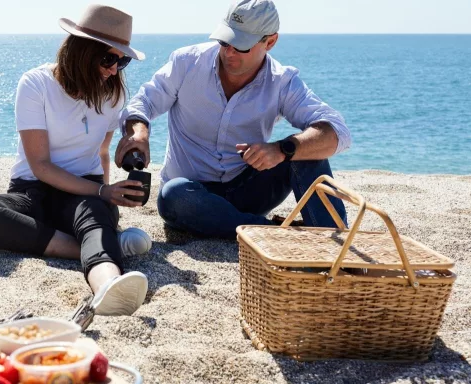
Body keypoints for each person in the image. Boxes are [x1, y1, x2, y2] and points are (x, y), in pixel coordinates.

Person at [0, 5, 152, 317]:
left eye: (122, 60)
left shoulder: (112, 95)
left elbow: (102, 153)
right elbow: (40, 165)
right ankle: (100, 246)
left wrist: (106, 198)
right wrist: (103, 194)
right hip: (31, 190)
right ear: (82, 51)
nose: (114, 69)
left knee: (95, 217)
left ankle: (107, 285)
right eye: (108, 58)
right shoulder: (36, 84)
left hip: (84, 192)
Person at [115, 0, 351, 239]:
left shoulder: (282, 82)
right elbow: (141, 103)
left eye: (241, 46)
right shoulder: (186, 62)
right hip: (191, 194)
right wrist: (139, 132)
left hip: (250, 191)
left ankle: (335, 240)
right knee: (173, 194)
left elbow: (337, 132)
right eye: (225, 41)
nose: (229, 52)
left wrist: (282, 149)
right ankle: (275, 234)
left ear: (270, 42)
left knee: (306, 151)